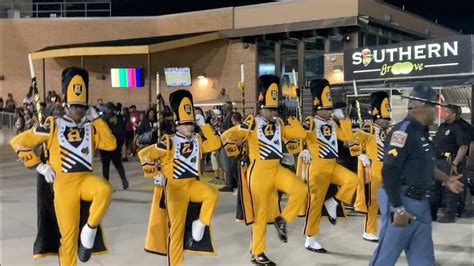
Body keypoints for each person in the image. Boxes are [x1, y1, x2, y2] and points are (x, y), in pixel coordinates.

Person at [10, 67, 116, 265]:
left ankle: (89, 230)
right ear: (67, 105)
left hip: (85, 180)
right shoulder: (52, 124)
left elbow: (111, 144)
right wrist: (39, 166)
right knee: (67, 239)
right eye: (75, 106)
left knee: (105, 189)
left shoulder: (90, 127)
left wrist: (98, 119)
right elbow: (18, 142)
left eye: (82, 107)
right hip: (63, 187)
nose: (78, 111)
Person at [369, 85, 464, 266]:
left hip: (421, 204)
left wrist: (447, 179)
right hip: (402, 201)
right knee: (385, 258)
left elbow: (426, 166)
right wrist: (398, 209)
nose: (437, 112)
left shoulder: (422, 132)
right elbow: (389, 171)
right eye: (434, 107)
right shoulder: (402, 131)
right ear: (421, 106)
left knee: (424, 259)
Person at [221, 75, 307, 265]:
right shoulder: (252, 122)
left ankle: (282, 220)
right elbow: (227, 135)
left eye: (275, 109)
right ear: (262, 105)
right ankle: (257, 253)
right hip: (258, 173)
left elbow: (301, 134)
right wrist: (238, 143)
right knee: (260, 216)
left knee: (301, 189)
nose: (273, 112)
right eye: (270, 109)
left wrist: (290, 119)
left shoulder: (280, 123)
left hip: (276, 170)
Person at [138, 90, 221, 266]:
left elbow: (215, 144)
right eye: (186, 124)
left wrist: (204, 123)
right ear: (177, 124)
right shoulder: (169, 141)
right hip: (174, 191)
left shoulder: (198, 139)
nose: (190, 127)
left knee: (212, 195)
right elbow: (144, 154)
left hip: (192, 185)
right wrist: (156, 173)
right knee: (176, 231)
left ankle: (200, 224)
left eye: (191, 123)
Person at [297, 79, 359, 253]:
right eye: (328, 109)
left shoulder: (332, 123)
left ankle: (334, 201)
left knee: (353, 180)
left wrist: (344, 120)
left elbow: (347, 138)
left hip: (333, 165)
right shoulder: (310, 121)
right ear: (319, 108)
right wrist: (302, 150)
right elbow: (297, 135)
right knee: (315, 205)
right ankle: (310, 238)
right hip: (317, 168)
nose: (331, 112)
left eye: (331, 109)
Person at [353, 91, 392, 242]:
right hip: (373, 170)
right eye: (385, 118)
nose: (387, 121)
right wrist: (360, 155)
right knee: (372, 202)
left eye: (388, 118)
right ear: (377, 115)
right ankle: (369, 231)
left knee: (389, 201)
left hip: (387, 170)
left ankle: (389, 230)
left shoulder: (387, 131)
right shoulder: (368, 128)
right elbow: (353, 140)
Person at [430, 104, 469, 222]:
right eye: (444, 111)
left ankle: (449, 215)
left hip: (450, 160)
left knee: (450, 189)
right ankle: (432, 214)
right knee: (434, 188)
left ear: (454, 114)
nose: (444, 114)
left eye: (447, 112)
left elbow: (463, 147)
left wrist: (455, 163)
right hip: (437, 160)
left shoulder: (459, 127)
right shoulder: (442, 126)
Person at [100, 102, 129, 189]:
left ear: (108, 109)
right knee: (118, 163)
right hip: (116, 144)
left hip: (105, 145)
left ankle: (106, 184)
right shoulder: (119, 118)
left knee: (105, 165)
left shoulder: (104, 118)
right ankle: (124, 180)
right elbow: (123, 129)